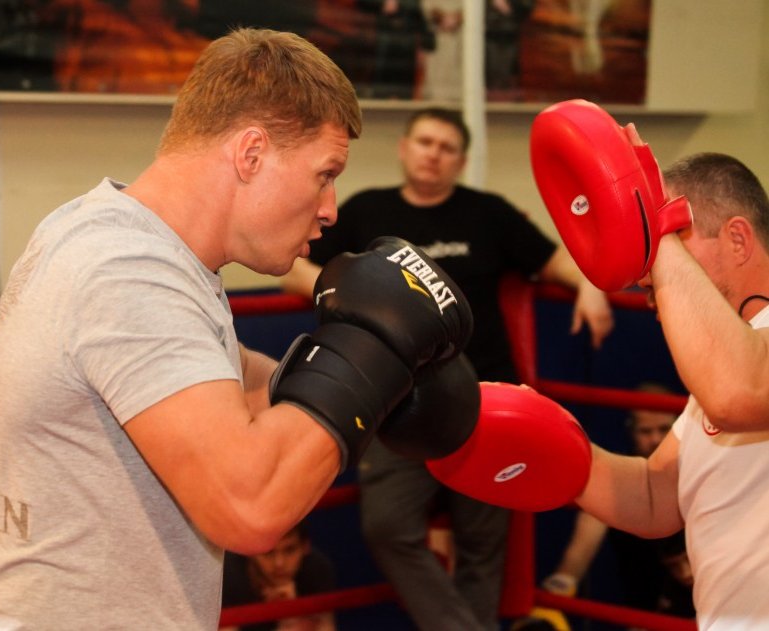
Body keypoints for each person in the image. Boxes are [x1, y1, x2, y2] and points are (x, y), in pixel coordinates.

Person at [0, 28, 478, 630]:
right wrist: (369, 358)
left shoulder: (109, 233)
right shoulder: (128, 271)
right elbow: (248, 507)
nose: (330, 208)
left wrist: (386, 388)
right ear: (251, 153)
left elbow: (234, 379)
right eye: (324, 173)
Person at [280, 107, 614, 631]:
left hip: (485, 401)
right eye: (425, 142)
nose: (433, 154)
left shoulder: (488, 214)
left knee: (483, 540)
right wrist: (344, 293)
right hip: (397, 403)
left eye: (447, 147)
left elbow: (556, 261)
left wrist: (591, 287)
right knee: (388, 526)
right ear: (404, 148)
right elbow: (293, 265)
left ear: (461, 161)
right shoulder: (367, 211)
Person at [576, 147, 769, 630]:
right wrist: (553, 447)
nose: (648, 273)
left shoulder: (737, 374)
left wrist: (655, 233)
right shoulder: (727, 358)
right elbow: (654, 496)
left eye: (672, 236)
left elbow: (740, 395)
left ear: (738, 239)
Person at [515, 383, 694, 630]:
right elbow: (589, 530)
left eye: (664, 429)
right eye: (645, 431)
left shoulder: (699, 474)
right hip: (650, 607)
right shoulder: (624, 483)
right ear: (631, 431)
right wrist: (561, 585)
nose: (655, 439)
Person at [221, 521, 337, 631]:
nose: (279, 563)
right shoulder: (227, 574)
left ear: (305, 547)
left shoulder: (317, 569)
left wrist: (291, 614)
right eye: (268, 552)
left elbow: (327, 627)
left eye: (289, 550)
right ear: (250, 551)